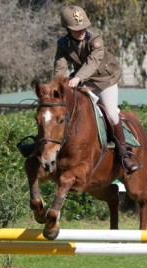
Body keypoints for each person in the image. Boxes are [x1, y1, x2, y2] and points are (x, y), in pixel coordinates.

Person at [54, 5, 141, 175]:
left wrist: (77, 79)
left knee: (111, 112)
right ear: (67, 29)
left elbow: (92, 62)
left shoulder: (95, 40)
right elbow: (59, 66)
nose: (81, 32)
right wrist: (57, 86)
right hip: (83, 79)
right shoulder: (63, 44)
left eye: (83, 27)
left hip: (105, 80)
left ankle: (124, 155)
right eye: (76, 29)